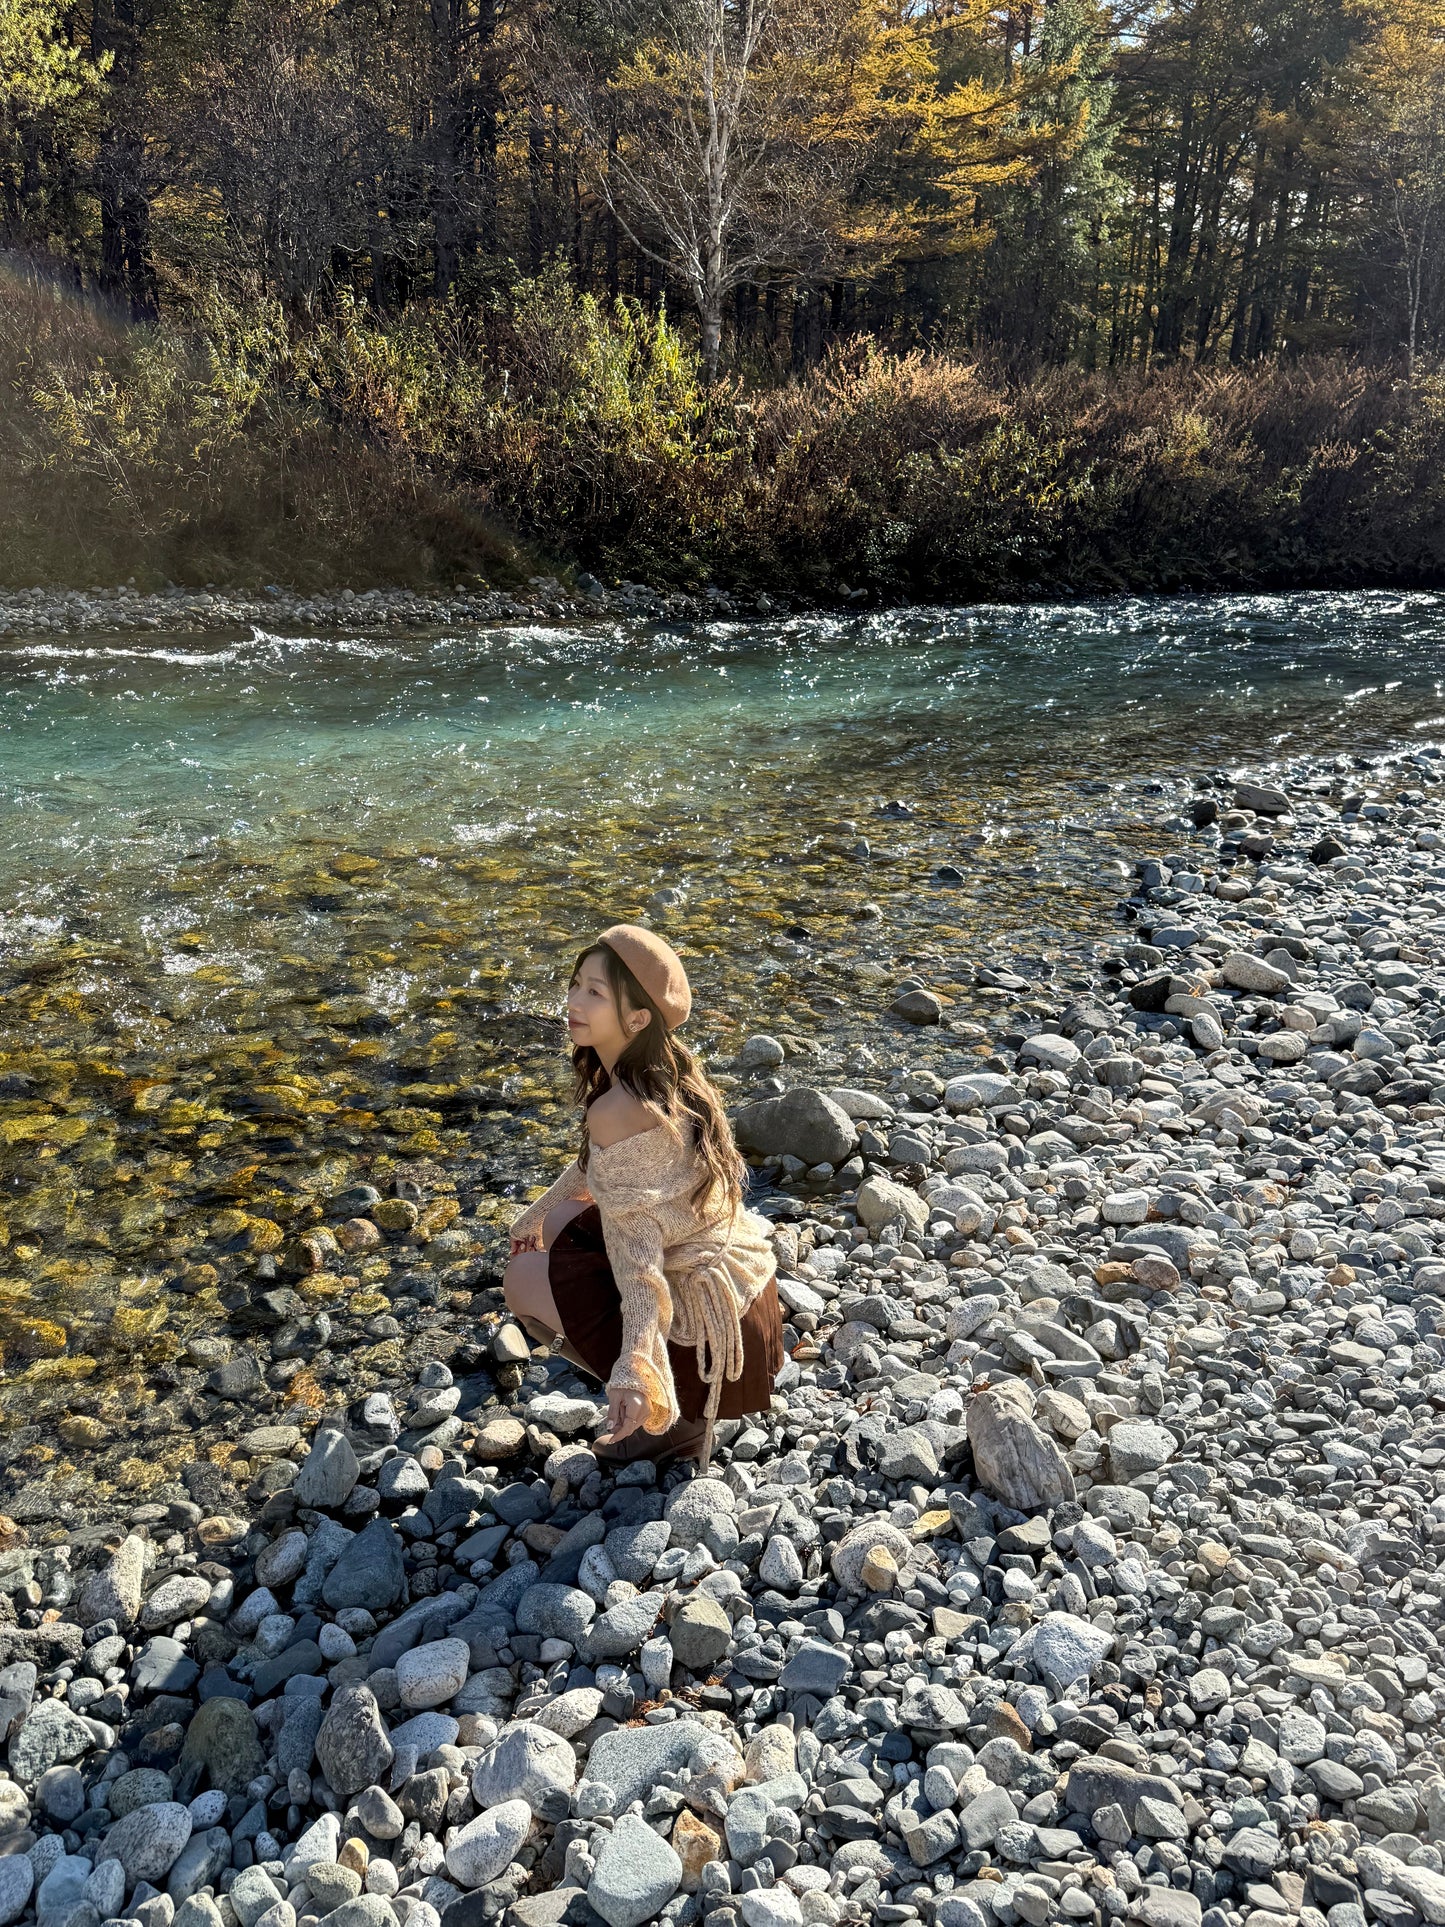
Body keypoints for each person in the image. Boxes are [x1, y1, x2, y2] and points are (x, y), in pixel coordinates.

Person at [502, 922, 784, 1468]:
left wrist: (636, 1369)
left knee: (521, 1282)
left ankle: (670, 1420)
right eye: (576, 983)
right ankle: (672, 1403)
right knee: (560, 1222)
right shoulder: (666, 1072)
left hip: (712, 1345)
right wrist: (533, 1216)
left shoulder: (618, 1108)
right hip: (748, 1304)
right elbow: (604, 1169)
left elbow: (640, 1266)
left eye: (595, 993)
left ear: (637, 1019)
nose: (573, 1002)